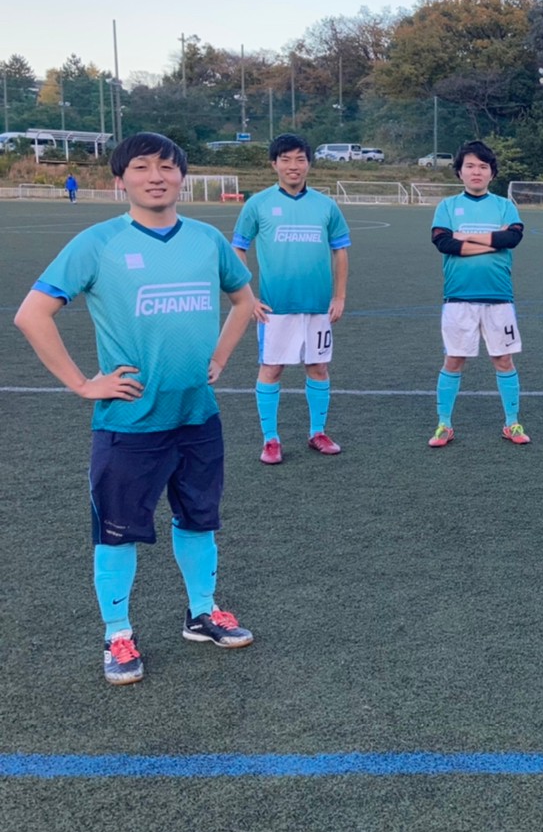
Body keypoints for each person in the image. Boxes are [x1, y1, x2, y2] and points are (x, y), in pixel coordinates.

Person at [13, 132, 260, 686]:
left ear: (182, 177)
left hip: (198, 415)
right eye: (143, 167)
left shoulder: (206, 239)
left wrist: (220, 357)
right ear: (120, 178)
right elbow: (32, 314)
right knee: (117, 531)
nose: (156, 176)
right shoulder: (99, 243)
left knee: (199, 519)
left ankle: (202, 613)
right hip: (129, 422)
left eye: (167, 167)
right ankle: (117, 633)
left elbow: (244, 300)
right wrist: (83, 384)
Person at [232, 133, 351, 464]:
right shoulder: (258, 204)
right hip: (275, 308)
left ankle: (318, 432)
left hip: (318, 306)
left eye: (300, 159)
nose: (293, 166)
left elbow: (340, 251)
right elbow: (238, 248)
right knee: (272, 369)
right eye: (285, 159)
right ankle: (270, 439)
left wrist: (339, 296)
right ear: (274, 164)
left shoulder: (326, 206)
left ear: (309, 163)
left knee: (319, 367)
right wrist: (248, 297)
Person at [427, 140, 528, 447]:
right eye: (470, 166)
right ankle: (444, 424)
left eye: (483, 167)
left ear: (491, 173)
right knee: (454, 359)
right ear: (459, 172)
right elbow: (444, 243)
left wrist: (467, 237)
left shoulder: (504, 206)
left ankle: (512, 423)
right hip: (459, 298)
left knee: (503, 359)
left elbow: (512, 238)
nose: (476, 172)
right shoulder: (447, 207)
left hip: (499, 298)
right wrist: (491, 241)